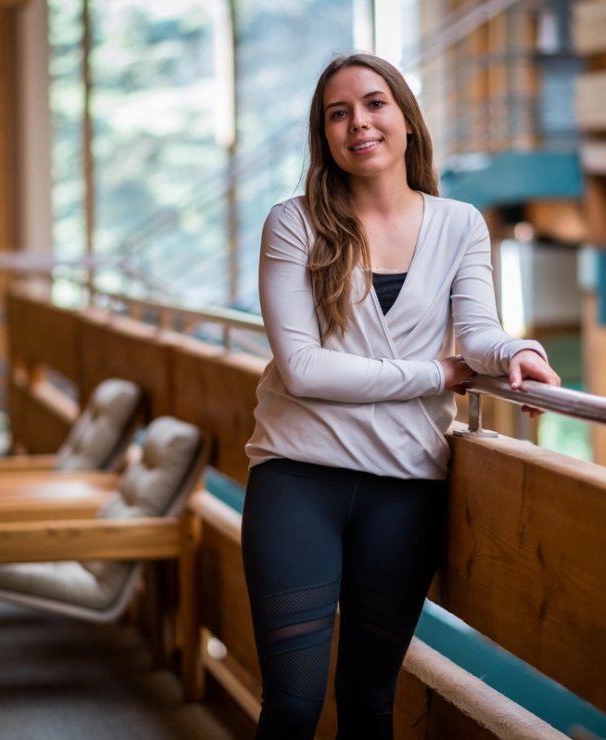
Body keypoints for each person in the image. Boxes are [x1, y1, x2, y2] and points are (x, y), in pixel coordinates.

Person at [241, 51, 561, 740]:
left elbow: (477, 334)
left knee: (368, 705)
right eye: (338, 112)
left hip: (406, 486)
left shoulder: (460, 224)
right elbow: (302, 370)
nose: (359, 121)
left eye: (374, 103)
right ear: (324, 134)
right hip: (298, 479)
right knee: (292, 708)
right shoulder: (293, 224)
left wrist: (517, 354)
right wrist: (434, 375)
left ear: (407, 121)